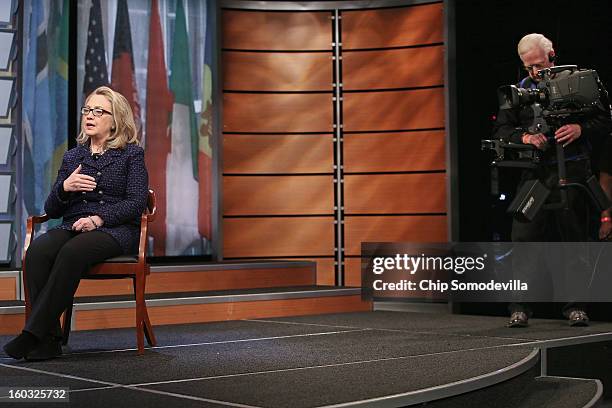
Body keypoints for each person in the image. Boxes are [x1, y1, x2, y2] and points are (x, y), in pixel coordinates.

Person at [3, 86, 148, 360]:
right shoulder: (73, 157)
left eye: (98, 111)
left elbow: (136, 202)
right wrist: (65, 188)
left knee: (73, 252)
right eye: (87, 110)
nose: (89, 116)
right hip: (73, 226)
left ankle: (32, 333)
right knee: (38, 252)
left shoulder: (131, 155)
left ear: (115, 119)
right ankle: (48, 340)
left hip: (114, 230)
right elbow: (51, 208)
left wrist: (99, 218)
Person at [492, 34, 612, 328]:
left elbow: (605, 120)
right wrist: (525, 137)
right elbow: (501, 131)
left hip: (572, 174)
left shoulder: (581, 81)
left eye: (538, 65)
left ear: (552, 55)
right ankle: (519, 307)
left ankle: (575, 308)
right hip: (535, 176)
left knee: (573, 245)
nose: (534, 72)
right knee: (523, 243)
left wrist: (579, 129)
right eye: (528, 67)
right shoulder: (519, 91)